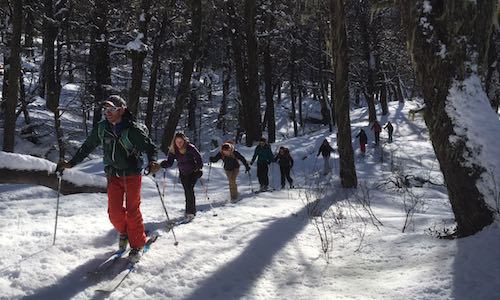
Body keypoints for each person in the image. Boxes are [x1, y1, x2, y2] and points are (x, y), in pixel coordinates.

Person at [56, 95, 160, 263]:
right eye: (106, 109)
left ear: (121, 110)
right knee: (114, 214)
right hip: (113, 175)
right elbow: (88, 145)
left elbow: (149, 146)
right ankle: (126, 233)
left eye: (111, 109)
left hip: (132, 174)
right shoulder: (102, 128)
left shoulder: (132, 130)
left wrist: (153, 161)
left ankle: (137, 245)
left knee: (133, 211)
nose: (107, 112)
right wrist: (71, 163)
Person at [160, 132, 203, 219]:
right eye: (177, 141)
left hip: (193, 172)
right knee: (187, 191)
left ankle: (190, 212)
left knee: (189, 190)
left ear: (184, 141)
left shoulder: (190, 148)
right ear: (174, 142)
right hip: (183, 173)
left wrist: (198, 167)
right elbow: (170, 162)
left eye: (181, 141)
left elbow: (198, 158)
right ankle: (189, 210)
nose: (179, 143)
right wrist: (164, 164)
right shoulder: (174, 150)